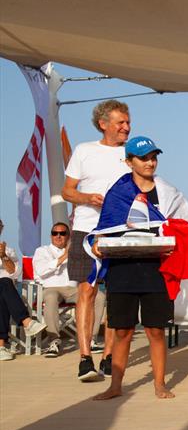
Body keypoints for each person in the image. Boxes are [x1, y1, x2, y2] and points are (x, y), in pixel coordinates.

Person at [90, 136, 188, 400]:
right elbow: (105, 228)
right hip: (122, 269)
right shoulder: (117, 191)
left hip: (155, 269)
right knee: (123, 331)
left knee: (155, 330)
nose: (150, 162)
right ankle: (115, 386)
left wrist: (175, 239)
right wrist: (96, 242)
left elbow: (186, 225)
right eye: (143, 158)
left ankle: (160, 384)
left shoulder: (168, 191)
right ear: (129, 162)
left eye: (153, 157)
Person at [62, 99, 131, 380]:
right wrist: (88, 198)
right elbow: (67, 191)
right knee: (86, 292)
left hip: (122, 231)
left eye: (128, 122)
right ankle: (84, 357)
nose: (127, 127)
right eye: (121, 122)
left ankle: (108, 356)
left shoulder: (133, 153)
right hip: (86, 229)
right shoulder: (84, 151)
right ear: (104, 124)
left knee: (116, 294)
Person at [32, 222, 106, 357]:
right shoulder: (42, 251)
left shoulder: (77, 252)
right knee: (51, 297)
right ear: (51, 236)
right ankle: (54, 340)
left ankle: (91, 339)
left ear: (68, 236)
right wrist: (64, 257)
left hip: (73, 289)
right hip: (51, 288)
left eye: (62, 233)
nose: (58, 236)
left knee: (99, 296)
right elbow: (41, 271)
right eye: (55, 233)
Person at [0, 219, 47, 361]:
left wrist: (3, 256)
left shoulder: (8, 251)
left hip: (4, 289)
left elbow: (15, 273)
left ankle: (1, 347)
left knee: (4, 284)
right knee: (4, 285)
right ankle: (27, 322)